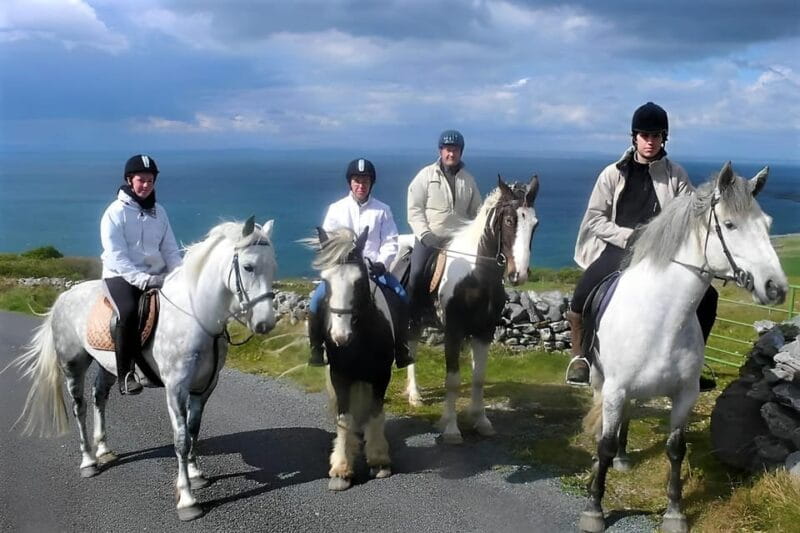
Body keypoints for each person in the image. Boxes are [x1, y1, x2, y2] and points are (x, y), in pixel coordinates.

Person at [565, 102, 718, 389]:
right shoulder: (612, 174)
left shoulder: (676, 175)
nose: (650, 141)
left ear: (664, 138)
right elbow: (595, 219)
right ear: (634, 137)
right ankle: (581, 358)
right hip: (620, 249)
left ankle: (695, 362)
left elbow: (692, 215)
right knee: (582, 293)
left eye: (656, 135)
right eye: (644, 135)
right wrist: (626, 236)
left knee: (708, 297)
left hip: (663, 254)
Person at [307, 158, 413, 368]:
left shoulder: (383, 210)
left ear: (371, 183)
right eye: (357, 180)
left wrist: (382, 262)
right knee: (316, 301)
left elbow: (391, 240)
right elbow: (328, 244)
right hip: (342, 273)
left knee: (401, 296)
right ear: (350, 183)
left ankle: (401, 348)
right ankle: (316, 349)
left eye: (365, 181)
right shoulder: (336, 209)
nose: (361, 185)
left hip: (374, 270)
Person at [100, 154, 182, 395]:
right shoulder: (115, 213)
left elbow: (170, 249)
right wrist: (143, 280)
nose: (146, 185)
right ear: (129, 180)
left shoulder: (160, 212)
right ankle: (126, 374)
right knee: (127, 313)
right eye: (141, 180)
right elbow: (117, 256)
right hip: (120, 276)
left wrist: (179, 274)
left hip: (157, 275)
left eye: (150, 181)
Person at [406, 130, 482, 335]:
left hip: (459, 241)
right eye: (448, 149)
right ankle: (415, 316)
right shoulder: (425, 176)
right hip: (430, 238)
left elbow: (478, 213)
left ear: (461, 152)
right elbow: (414, 210)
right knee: (417, 273)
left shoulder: (469, 180)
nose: (451, 154)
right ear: (440, 151)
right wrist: (425, 235)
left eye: (455, 150)